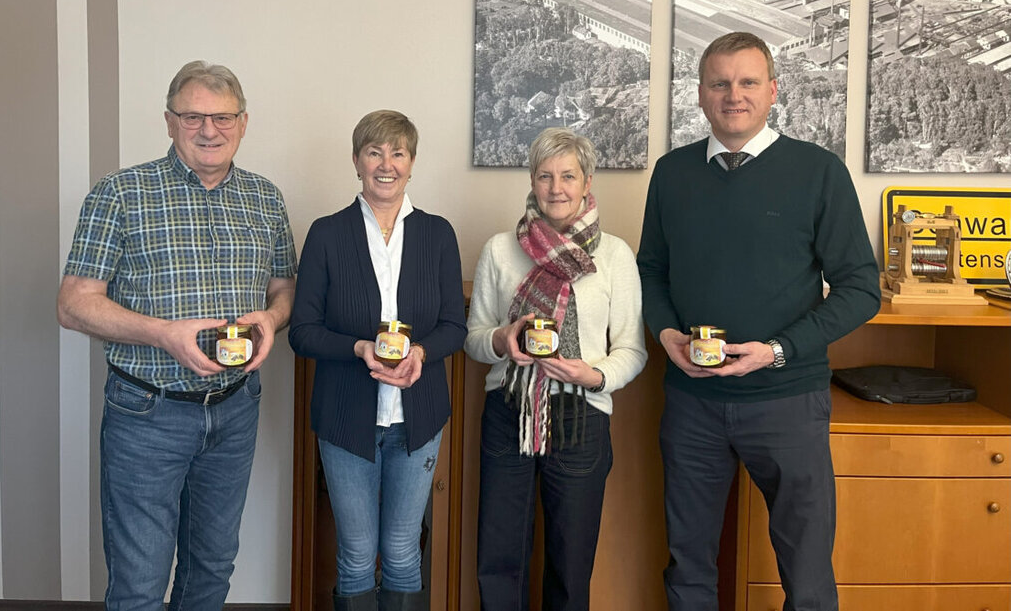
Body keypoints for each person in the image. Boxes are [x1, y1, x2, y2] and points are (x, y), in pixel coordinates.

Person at [637, 31, 881, 611]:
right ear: (700, 94)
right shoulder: (672, 174)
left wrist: (777, 349)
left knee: (806, 569)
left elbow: (860, 289)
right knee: (689, 562)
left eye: (748, 82)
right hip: (692, 401)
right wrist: (666, 331)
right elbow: (651, 269)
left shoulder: (818, 172)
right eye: (720, 83)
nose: (734, 95)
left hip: (787, 402)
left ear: (773, 90)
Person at [57, 61, 297, 611]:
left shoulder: (266, 198)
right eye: (192, 116)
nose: (208, 129)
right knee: (140, 581)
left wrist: (272, 317)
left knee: (210, 570)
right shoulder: (120, 192)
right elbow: (73, 304)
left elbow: (285, 285)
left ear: (243, 123)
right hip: (147, 411)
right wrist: (164, 334)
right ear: (169, 122)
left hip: (235, 410)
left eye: (222, 117)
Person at [288, 110, 466, 611]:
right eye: (374, 152)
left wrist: (423, 354)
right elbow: (301, 332)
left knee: (403, 551)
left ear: (411, 163)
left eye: (398, 152)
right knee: (357, 553)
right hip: (345, 417)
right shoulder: (327, 233)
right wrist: (359, 348)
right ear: (356, 161)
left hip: (419, 416)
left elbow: (456, 325)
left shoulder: (437, 234)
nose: (385, 164)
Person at [466, 128, 648, 611]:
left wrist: (593, 376)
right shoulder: (500, 250)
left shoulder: (614, 256)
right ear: (531, 180)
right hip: (509, 412)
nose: (556, 187)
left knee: (570, 563)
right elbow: (474, 339)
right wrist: (503, 340)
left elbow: (632, 349)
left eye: (568, 175)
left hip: (582, 417)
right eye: (545, 176)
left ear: (588, 182)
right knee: (499, 555)